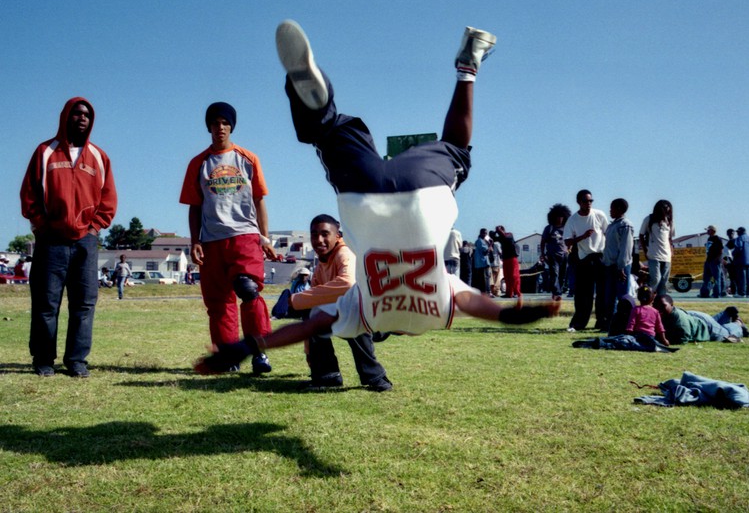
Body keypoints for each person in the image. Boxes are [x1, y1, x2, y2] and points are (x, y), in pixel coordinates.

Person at [195, 20, 558, 374]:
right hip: (362, 195)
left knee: (456, 148)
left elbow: (478, 304)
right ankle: (319, 107)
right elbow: (306, 327)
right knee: (325, 131)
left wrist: (512, 315)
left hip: (422, 190)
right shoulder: (362, 315)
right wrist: (247, 347)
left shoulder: (434, 308)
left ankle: (468, 66)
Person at [20, 97, 117, 377]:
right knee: (46, 303)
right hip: (51, 241)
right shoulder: (45, 152)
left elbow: (108, 198)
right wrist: (40, 225)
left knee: (84, 304)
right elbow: (29, 194)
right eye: (76, 114)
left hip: (86, 241)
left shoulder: (98, 157)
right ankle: (43, 359)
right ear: (65, 117)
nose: (82, 118)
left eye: (86, 114)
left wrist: (95, 227)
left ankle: (76, 361)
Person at [180, 101, 276, 374]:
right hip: (211, 240)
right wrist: (194, 241)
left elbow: (259, 201)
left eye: (225, 123)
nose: (220, 128)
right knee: (219, 302)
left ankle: (259, 352)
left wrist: (265, 238)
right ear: (208, 127)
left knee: (248, 290)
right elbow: (194, 206)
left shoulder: (248, 159)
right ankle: (228, 356)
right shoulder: (198, 163)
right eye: (215, 123)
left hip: (244, 236)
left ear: (231, 126)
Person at [279, 214, 391, 391]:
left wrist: (293, 300)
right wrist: (310, 352)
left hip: (377, 320)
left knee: (351, 311)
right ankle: (326, 377)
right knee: (316, 312)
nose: (319, 240)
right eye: (314, 234)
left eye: (325, 234)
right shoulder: (320, 267)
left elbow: (348, 284)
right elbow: (310, 309)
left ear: (337, 235)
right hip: (354, 317)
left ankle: (376, 377)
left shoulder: (345, 253)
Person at [563, 189, 608, 332]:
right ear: (578, 202)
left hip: (600, 256)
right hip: (584, 258)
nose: (588, 203)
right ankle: (579, 323)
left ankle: (602, 321)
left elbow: (608, 232)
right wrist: (582, 237)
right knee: (584, 294)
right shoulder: (573, 220)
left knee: (602, 292)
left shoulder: (599, 215)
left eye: (590, 201)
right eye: (585, 201)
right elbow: (567, 241)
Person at [601, 198, 634, 332]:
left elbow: (626, 248)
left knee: (622, 298)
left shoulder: (625, 225)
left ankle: (625, 324)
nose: (610, 211)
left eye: (612, 208)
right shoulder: (612, 225)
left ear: (620, 209)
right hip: (609, 265)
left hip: (620, 266)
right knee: (609, 297)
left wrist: (621, 267)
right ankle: (610, 324)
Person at [638, 200, 674, 296]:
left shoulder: (669, 221)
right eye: (665, 208)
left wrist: (671, 250)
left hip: (667, 256)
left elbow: (670, 238)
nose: (667, 211)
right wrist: (645, 250)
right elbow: (641, 235)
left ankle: (661, 301)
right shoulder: (649, 219)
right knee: (655, 279)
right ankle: (647, 298)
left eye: (668, 209)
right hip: (654, 254)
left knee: (664, 281)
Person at [540, 203, 571, 301]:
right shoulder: (549, 228)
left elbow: (570, 240)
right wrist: (543, 254)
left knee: (562, 275)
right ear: (553, 217)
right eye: (557, 216)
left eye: (561, 216)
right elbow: (543, 242)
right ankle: (556, 293)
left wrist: (569, 249)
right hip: (552, 254)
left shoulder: (566, 228)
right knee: (554, 274)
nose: (559, 218)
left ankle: (559, 292)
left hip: (564, 254)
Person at [699, 225, 724, 298]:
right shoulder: (709, 238)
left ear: (713, 231)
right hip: (709, 260)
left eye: (708, 230)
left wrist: (718, 259)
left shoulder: (717, 239)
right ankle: (704, 293)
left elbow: (721, 250)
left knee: (716, 278)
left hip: (715, 260)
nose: (707, 231)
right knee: (706, 278)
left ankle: (717, 294)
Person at [495, 226, 520, 299]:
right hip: (506, 259)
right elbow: (493, 237)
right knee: (507, 277)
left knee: (514, 276)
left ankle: (516, 292)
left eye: (500, 231)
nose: (499, 233)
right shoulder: (501, 238)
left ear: (503, 230)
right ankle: (509, 293)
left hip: (512, 258)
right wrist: (495, 232)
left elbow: (505, 237)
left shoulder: (509, 234)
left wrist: (499, 231)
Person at [472, 228, 492, 295]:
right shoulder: (481, 241)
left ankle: (483, 292)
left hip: (480, 263)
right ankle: (487, 292)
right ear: (481, 233)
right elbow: (485, 252)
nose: (485, 234)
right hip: (483, 262)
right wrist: (490, 245)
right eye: (484, 233)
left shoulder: (479, 241)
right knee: (486, 278)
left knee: (482, 278)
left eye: (486, 233)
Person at [732, 227, 749, 298]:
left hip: (741, 260)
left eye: (738, 232)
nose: (737, 233)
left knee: (742, 277)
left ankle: (742, 293)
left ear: (740, 232)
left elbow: (739, 247)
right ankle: (748, 293)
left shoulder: (739, 238)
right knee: (748, 277)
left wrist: (733, 254)